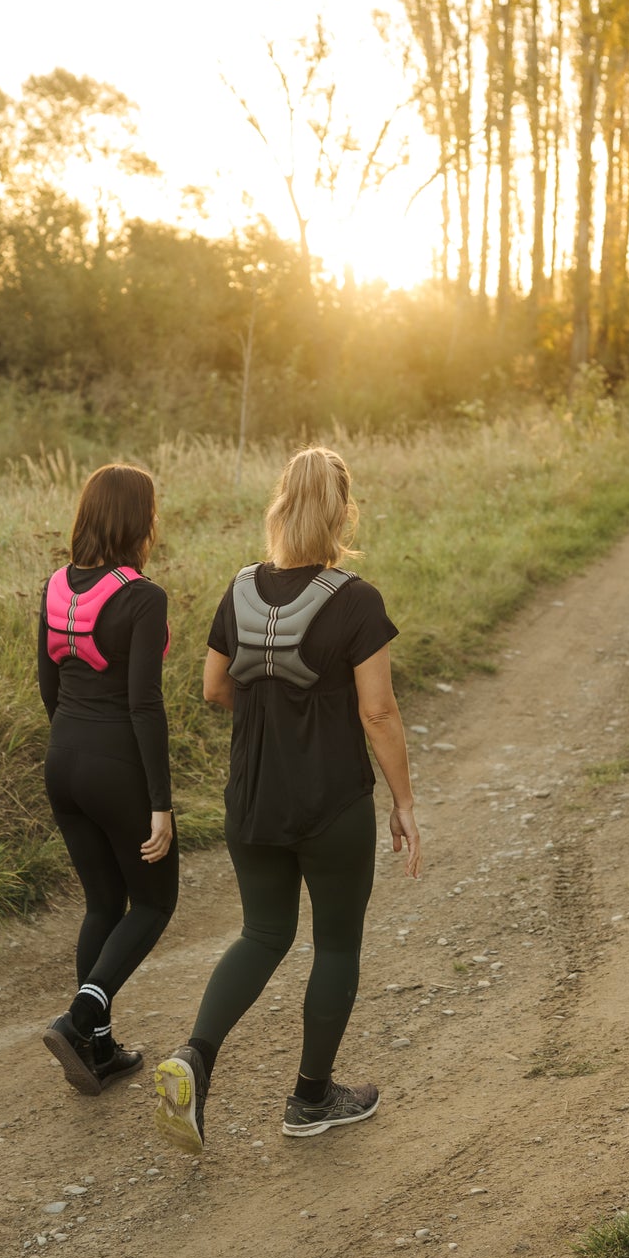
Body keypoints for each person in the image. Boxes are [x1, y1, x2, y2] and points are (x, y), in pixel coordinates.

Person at [154, 445, 423, 1151]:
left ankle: (194, 1056)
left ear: (281, 505)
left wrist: (270, 705)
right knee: (335, 942)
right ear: (341, 509)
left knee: (262, 934)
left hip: (251, 799)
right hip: (331, 801)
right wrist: (404, 801)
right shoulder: (355, 598)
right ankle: (310, 1097)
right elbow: (378, 711)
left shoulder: (238, 589)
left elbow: (214, 687)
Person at [37, 463, 177, 1095]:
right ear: (138, 520)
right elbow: (144, 704)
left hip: (62, 759)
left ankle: (98, 1050)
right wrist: (160, 802)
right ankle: (81, 1018)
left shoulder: (57, 585)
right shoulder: (143, 596)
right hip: (116, 763)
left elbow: (48, 683)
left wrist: (73, 745)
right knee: (152, 901)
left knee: (102, 903)